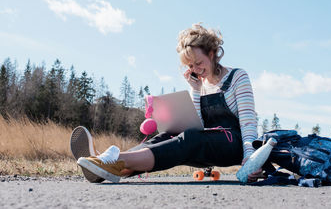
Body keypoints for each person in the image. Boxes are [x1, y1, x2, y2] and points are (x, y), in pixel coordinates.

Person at [75, 23, 262, 183]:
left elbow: (248, 123)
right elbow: (198, 125)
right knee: (165, 136)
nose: (196, 70)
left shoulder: (238, 77)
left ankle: (112, 160)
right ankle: (105, 168)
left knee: (190, 138)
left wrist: (251, 159)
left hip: (232, 145)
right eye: (190, 66)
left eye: (199, 63)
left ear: (212, 54)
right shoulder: (198, 84)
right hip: (206, 144)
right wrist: (195, 90)